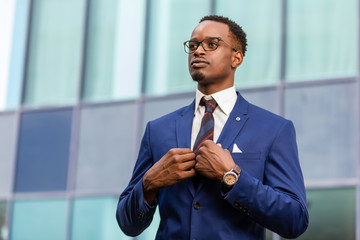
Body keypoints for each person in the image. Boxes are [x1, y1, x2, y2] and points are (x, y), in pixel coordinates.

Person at [116, 15, 308, 240]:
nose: (198, 51)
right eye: (194, 45)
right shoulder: (157, 130)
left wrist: (231, 176)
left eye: (212, 44)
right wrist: (149, 183)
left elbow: (295, 220)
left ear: (236, 57)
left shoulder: (274, 129)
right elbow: (128, 225)